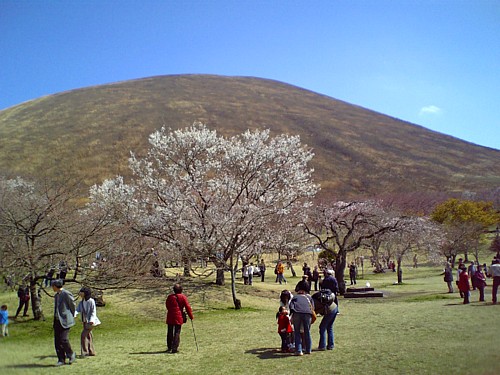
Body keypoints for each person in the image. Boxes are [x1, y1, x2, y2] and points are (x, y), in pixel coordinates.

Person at [51, 279, 76, 366]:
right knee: (57, 341)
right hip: (57, 321)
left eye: (52, 286)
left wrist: (72, 315)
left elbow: (72, 304)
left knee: (64, 339)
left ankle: (71, 354)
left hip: (66, 320)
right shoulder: (56, 295)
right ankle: (61, 359)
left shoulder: (66, 293)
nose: (52, 288)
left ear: (56, 286)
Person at [165, 283, 194, 353]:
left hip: (170, 315)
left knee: (170, 331)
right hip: (178, 316)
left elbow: (167, 305)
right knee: (177, 332)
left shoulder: (170, 297)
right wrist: (191, 316)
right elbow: (187, 307)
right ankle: (174, 348)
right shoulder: (183, 297)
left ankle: (169, 347)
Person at [76, 287, 101, 357]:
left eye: (81, 292)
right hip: (84, 321)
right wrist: (74, 314)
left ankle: (85, 352)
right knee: (88, 335)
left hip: (90, 322)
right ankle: (91, 351)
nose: (80, 293)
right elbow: (77, 309)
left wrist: (91, 321)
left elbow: (93, 311)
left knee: (83, 335)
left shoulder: (91, 301)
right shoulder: (82, 302)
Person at [289, 289, 314, 356]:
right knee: (307, 332)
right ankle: (308, 349)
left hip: (297, 313)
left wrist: (291, 315)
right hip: (307, 313)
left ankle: (299, 350)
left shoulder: (295, 297)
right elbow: (312, 307)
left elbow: (291, 306)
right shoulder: (309, 297)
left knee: (297, 332)